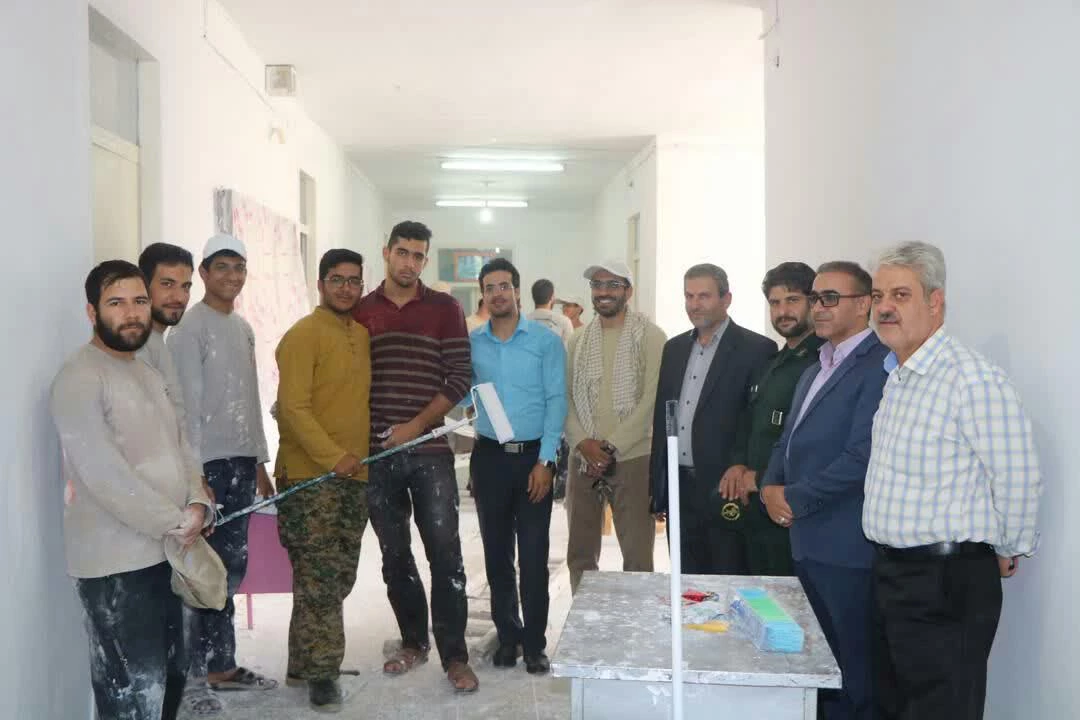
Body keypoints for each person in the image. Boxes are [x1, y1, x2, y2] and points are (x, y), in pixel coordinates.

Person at [865, 242, 1042, 720]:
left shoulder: (971, 379)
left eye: (901, 295)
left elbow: (1018, 476)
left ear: (935, 301)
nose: (884, 307)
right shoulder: (898, 377)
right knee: (894, 707)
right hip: (891, 575)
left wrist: (1007, 546)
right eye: (878, 295)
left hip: (945, 582)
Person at [50, 260, 212, 720]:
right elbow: (104, 476)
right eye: (116, 303)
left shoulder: (146, 373)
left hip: (166, 553)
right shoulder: (80, 378)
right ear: (92, 311)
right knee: (134, 695)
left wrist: (198, 501)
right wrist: (175, 521)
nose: (132, 313)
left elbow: (181, 446)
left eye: (139, 301)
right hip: (115, 568)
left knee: (169, 682)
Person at [352, 221, 478, 693]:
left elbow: (460, 376)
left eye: (418, 255)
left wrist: (417, 425)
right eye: (402, 252)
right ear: (386, 252)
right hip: (377, 456)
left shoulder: (445, 309)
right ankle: (413, 642)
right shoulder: (362, 310)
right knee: (395, 555)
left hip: (430, 453)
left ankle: (455, 656)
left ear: (426, 259)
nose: (409, 262)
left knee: (445, 554)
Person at [760, 261, 887, 720]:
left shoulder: (880, 365)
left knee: (853, 673)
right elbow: (787, 439)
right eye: (815, 298)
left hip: (846, 544)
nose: (819, 307)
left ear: (864, 303)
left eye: (831, 298)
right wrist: (769, 486)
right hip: (806, 541)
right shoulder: (816, 366)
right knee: (818, 668)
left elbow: (862, 455)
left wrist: (794, 497)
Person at [169, 234, 277, 697]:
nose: (232, 276)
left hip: (241, 464)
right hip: (208, 469)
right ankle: (195, 676)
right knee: (202, 572)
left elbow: (250, 401)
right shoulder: (189, 330)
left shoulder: (243, 328)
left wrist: (260, 463)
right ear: (204, 274)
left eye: (240, 268)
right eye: (223, 267)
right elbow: (185, 411)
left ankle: (222, 666)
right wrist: (195, 479)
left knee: (231, 568)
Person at [274, 249, 371, 712]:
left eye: (353, 281)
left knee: (336, 576)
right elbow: (292, 409)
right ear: (320, 284)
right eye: (337, 279)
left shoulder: (361, 335)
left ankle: (303, 663)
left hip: (354, 475)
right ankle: (323, 673)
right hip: (311, 479)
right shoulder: (302, 335)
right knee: (321, 578)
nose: (346, 288)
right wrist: (333, 459)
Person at [469, 259, 567, 675]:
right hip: (489, 458)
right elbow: (463, 394)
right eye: (490, 287)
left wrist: (546, 460)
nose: (498, 294)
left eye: (504, 286)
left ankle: (535, 643)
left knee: (533, 553)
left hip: (533, 460)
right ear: (483, 295)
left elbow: (557, 401)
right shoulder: (473, 343)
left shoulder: (545, 342)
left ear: (517, 291)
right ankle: (508, 636)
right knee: (496, 554)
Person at [649, 263, 776, 574]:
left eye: (703, 296)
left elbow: (756, 421)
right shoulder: (674, 348)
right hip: (679, 487)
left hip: (726, 487)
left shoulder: (757, 349)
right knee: (685, 580)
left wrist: (743, 467)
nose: (694, 304)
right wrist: (658, 486)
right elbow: (663, 419)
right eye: (689, 296)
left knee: (727, 577)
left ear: (726, 299)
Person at [565, 260, 666, 593]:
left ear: (628, 291)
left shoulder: (651, 337)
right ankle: (584, 619)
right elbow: (564, 397)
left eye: (612, 285)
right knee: (580, 554)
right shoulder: (578, 340)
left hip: (634, 458)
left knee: (637, 557)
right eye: (597, 285)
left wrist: (608, 448)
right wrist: (584, 444)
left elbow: (652, 399)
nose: (603, 292)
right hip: (583, 459)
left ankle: (636, 622)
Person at [719, 262, 822, 576]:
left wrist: (762, 476)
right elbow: (750, 422)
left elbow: (812, 445)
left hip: (793, 510)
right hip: (756, 508)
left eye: (792, 300)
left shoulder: (823, 363)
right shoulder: (773, 362)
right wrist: (738, 463)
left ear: (813, 302)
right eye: (775, 303)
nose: (782, 311)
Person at [527, 278, 574, 347]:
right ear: (552, 297)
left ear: (533, 297)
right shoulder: (564, 322)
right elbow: (569, 350)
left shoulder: (521, 322)